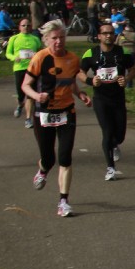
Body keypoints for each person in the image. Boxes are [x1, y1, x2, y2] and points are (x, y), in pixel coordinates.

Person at [22, 20, 92, 217]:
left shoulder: (73, 59)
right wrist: (36, 96)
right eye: (54, 38)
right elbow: (25, 85)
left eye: (62, 37)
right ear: (46, 40)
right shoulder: (40, 58)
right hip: (43, 113)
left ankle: (63, 202)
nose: (59, 41)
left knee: (65, 157)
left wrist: (81, 95)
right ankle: (43, 170)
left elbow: (71, 83)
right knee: (48, 158)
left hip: (66, 113)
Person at [80, 23, 135, 181]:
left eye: (111, 33)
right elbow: (80, 72)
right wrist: (91, 81)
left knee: (120, 135)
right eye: (105, 33)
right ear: (99, 36)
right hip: (101, 99)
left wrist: (126, 79)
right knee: (107, 131)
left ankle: (115, 144)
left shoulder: (123, 52)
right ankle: (110, 168)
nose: (108, 36)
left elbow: (133, 69)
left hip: (118, 98)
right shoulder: (91, 53)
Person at [6, 18, 43, 125]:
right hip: (19, 68)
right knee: (20, 94)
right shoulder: (14, 38)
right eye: (23, 25)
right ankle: (20, 104)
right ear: (19, 27)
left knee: (30, 94)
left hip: (32, 69)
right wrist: (14, 58)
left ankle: (28, 119)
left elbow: (40, 52)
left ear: (31, 27)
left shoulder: (35, 39)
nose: (26, 27)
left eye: (28, 25)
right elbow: (8, 54)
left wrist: (37, 55)